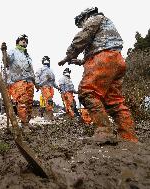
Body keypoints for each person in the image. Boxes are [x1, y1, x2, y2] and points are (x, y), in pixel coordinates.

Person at [58, 7, 138, 143]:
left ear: (85, 17)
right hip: (116, 60)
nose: (82, 25)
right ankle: (128, 137)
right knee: (115, 101)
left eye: (81, 23)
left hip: (103, 59)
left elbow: (83, 36)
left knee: (87, 92)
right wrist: (81, 61)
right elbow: (103, 46)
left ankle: (104, 132)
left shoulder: (94, 19)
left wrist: (69, 54)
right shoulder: (106, 24)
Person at [1, 34, 35, 132]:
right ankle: (24, 124)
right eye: (22, 40)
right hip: (18, 81)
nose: (24, 41)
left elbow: (31, 70)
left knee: (29, 103)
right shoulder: (13, 52)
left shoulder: (27, 55)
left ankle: (27, 122)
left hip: (29, 81)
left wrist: (35, 82)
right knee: (22, 102)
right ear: (18, 42)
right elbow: (6, 62)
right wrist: (4, 51)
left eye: (25, 40)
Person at [35, 56, 58, 120]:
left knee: (49, 100)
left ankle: (48, 114)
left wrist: (57, 87)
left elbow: (53, 80)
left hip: (50, 86)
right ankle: (49, 115)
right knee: (49, 99)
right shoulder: (41, 69)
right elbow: (36, 76)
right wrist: (37, 84)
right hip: (44, 86)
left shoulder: (51, 70)